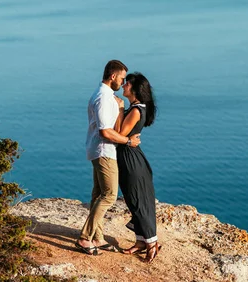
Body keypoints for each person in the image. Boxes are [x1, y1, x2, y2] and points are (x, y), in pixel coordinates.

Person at [76, 60, 141, 256]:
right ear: (113, 76)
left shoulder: (107, 96)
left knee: (98, 195)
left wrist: (119, 107)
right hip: (104, 151)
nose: (123, 83)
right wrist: (128, 142)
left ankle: (97, 237)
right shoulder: (103, 98)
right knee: (109, 195)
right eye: (121, 78)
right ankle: (84, 238)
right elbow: (105, 131)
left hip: (100, 150)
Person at [114, 72, 161, 263]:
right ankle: (141, 241)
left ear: (134, 89)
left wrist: (119, 109)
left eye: (127, 84)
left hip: (130, 160)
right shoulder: (137, 108)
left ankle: (152, 244)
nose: (123, 85)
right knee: (134, 200)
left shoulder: (134, 110)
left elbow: (119, 133)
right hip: (131, 157)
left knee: (138, 201)